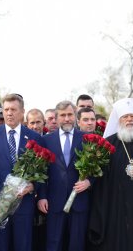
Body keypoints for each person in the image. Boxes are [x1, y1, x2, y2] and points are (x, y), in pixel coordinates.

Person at [0, 94, 41, 251]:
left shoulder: (35, 137)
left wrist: (32, 186)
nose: (9, 113)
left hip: (24, 204)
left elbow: (42, 170)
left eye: (13, 109)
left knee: (23, 246)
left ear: (22, 112)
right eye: (6, 109)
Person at [88, 98, 133, 251]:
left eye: (132, 117)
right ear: (118, 120)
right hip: (115, 200)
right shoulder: (108, 143)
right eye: (125, 117)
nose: (129, 120)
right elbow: (100, 176)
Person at [38, 100, 90, 251]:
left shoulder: (86, 139)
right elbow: (41, 171)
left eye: (70, 114)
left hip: (79, 201)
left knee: (77, 244)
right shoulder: (46, 140)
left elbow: (99, 167)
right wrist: (41, 196)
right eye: (63, 115)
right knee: (54, 243)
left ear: (75, 115)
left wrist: (89, 182)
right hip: (54, 202)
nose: (67, 118)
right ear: (56, 117)